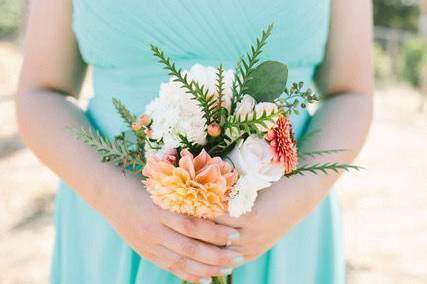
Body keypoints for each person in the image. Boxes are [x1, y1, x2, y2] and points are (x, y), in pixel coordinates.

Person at [16, 0, 373, 283]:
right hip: (116, 228)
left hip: (282, 233)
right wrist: (118, 201)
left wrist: (290, 202)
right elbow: (40, 93)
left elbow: (351, 94)